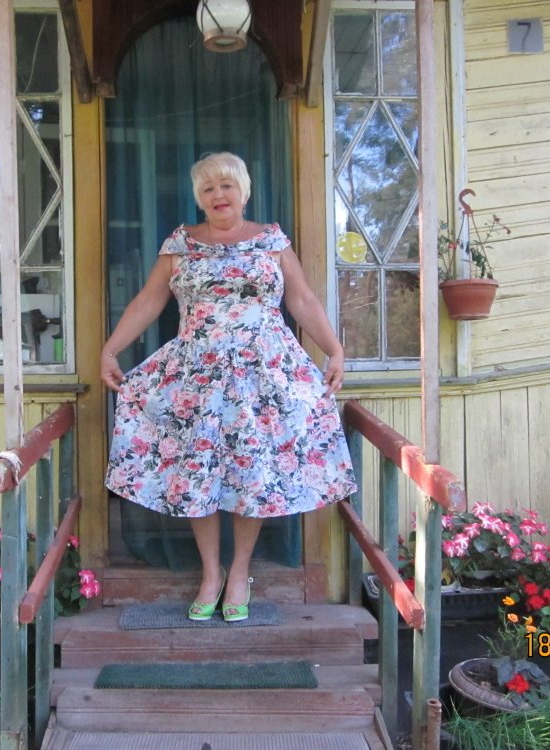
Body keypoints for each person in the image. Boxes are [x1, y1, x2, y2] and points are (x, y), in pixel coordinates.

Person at [102, 152, 356, 622]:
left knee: (251, 472)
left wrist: (334, 351)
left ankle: (239, 572)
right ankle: (210, 573)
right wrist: (111, 350)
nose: (218, 195)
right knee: (197, 470)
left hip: (262, 376)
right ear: (198, 198)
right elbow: (149, 300)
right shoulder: (180, 244)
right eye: (208, 188)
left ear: (243, 191)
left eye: (226, 185)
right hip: (197, 375)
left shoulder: (272, 240)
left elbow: (302, 299)